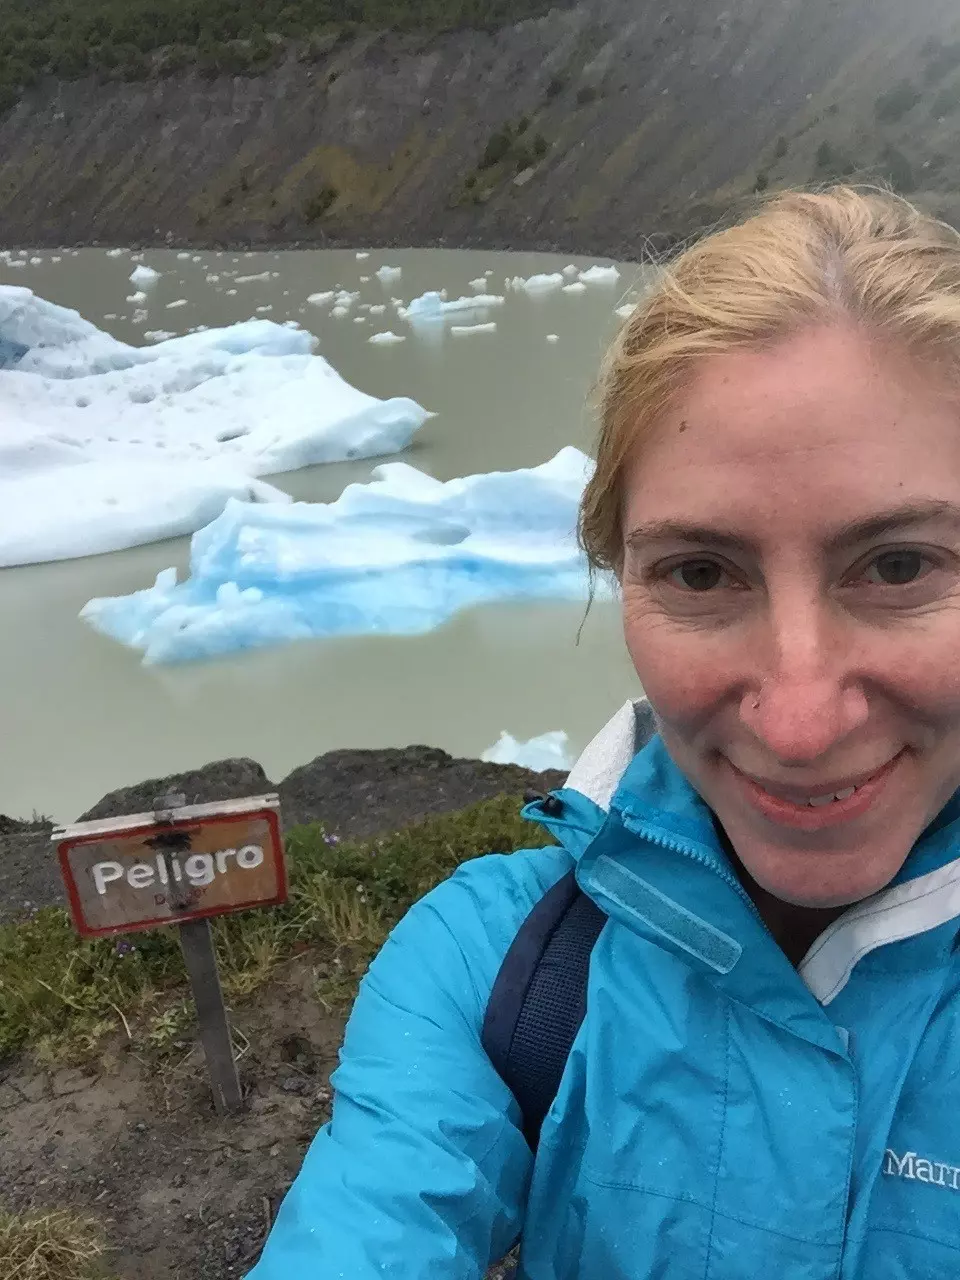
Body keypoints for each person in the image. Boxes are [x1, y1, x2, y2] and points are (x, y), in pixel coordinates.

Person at [247, 185, 960, 1279]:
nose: (803, 719)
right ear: (615, 571)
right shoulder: (502, 972)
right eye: (701, 572)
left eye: (901, 564)